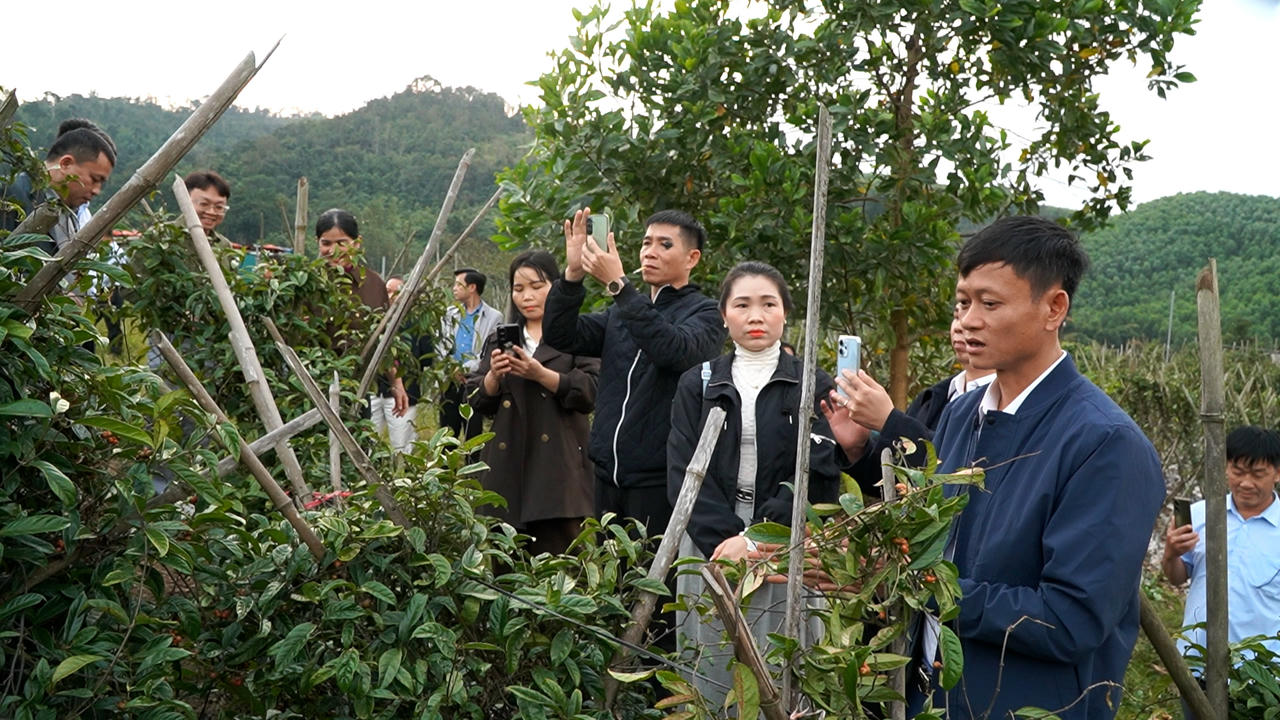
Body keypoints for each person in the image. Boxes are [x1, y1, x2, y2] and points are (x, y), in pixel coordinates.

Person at [898, 216, 1164, 719]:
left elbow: (1068, 619)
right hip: (931, 699)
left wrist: (924, 585)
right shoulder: (962, 413)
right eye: (963, 301)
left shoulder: (1104, 443)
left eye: (990, 303)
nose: (969, 320)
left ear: (1053, 308)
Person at [667, 261, 840, 704]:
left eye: (768, 304)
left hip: (784, 542)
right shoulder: (699, 383)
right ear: (724, 315)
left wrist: (757, 539)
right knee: (711, 658)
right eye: (742, 305)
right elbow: (684, 470)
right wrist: (726, 542)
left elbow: (816, 473)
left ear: (785, 314)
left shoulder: (811, 383)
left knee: (784, 660)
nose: (756, 315)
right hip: (712, 543)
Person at [543, 207, 726, 542]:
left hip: (659, 481)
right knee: (608, 584)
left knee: (652, 585)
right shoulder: (621, 312)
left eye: (665, 245)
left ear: (692, 258)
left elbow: (673, 350)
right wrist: (571, 275)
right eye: (646, 242)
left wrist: (620, 286)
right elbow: (560, 335)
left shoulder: (706, 313)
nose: (650, 252)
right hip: (605, 476)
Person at [469, 250, 600, 555]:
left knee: (564, 574)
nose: (526, 296)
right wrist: (493, 378)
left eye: (536, 286)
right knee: (507, 571)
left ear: (556, 286)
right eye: (518, 288)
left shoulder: (578, 334)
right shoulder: (500, 339)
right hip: (506, 469)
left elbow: (590, 391)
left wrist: (542, 375)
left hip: (559, 473)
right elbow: (476, 399)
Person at [1162, 425, 1280, 719]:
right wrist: (1171, 553)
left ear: (1277, 473)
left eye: (1258, 474)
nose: (1246, 482)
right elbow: (1177, 576)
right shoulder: (1201, 515)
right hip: (1197, 668)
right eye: (1238, 471)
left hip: (1260, 677)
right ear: (1226, 467)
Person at [836, 308, 995, 496]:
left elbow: (962, 473)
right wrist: (857, 448)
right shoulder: (933, 397)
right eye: (957, 316)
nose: (961, 326)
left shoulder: (1001, 403)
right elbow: (893, 485)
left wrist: (890, 421)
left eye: (977, 315)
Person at [315, 208, 408, 414]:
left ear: (356, 243)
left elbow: (384, 340)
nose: (334, 250)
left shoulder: (373, 284)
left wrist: (397, 383)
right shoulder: (308, 282)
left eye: (342, 243)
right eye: (326, 243)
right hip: (312, 387)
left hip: (357, 388)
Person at [1, 119, 116, 255]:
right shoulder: (11, 195)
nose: (97, 190)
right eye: (95, 179)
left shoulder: (71, 212)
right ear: (65, 164)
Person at [370, 276, 434, 453]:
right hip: (375, 390)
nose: (390, 296)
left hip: (405, 391)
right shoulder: (376, 320)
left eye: (395, 292)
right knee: (369, 441)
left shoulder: (417, 323)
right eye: (387, 291)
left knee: (401, 444)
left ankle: (401, 477)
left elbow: (427, 358)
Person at [440, 268, 503, 439]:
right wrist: (449, 368)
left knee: (472, 431)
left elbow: (487, 352)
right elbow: (442, 345)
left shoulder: (493, 317)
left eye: (458, 284)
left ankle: (472, 464)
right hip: (449, 380)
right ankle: (445, 466)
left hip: (474, 381)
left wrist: (463, 369)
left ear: (472, 287)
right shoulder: (449, 313)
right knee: (446, 432)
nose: (454, 288)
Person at [183, 170, 232, 242]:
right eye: (204, 204)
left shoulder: (223, 245)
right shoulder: (165, 235)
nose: (211, 212)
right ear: (185, 202)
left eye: (219, 207)